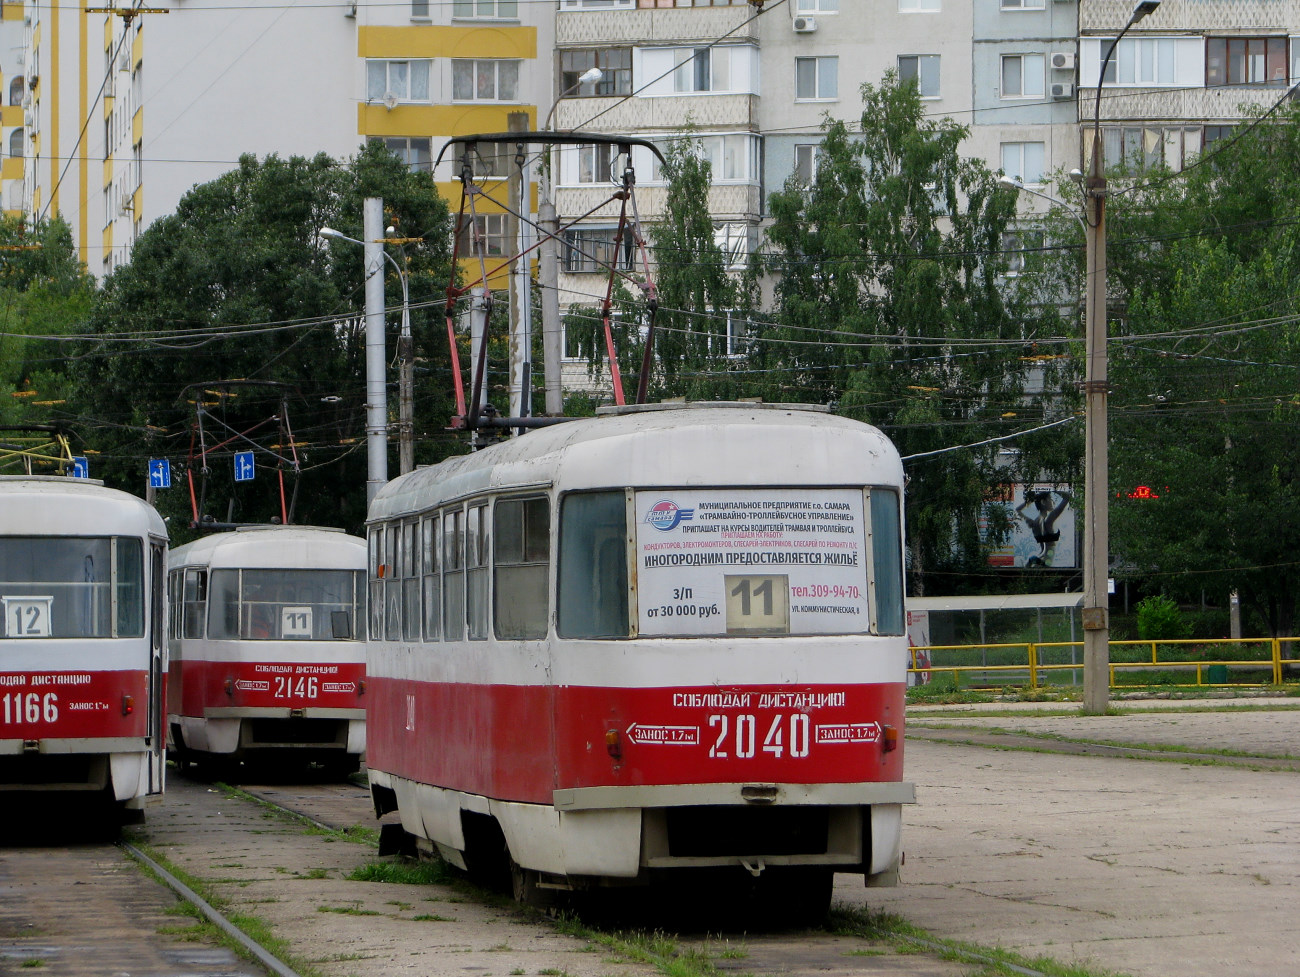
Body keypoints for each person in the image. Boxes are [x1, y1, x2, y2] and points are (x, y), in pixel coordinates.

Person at [1016, 489, 1071, 568]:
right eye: (1050, 499)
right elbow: (1067, 497)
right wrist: (1054, 489)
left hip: (1039, 558)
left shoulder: (1034, 522)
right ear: (1043, 502)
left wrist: (1031, 500)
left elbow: (1018, 510)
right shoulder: (1049, 520)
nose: (1053, 502)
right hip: (1046, 562)